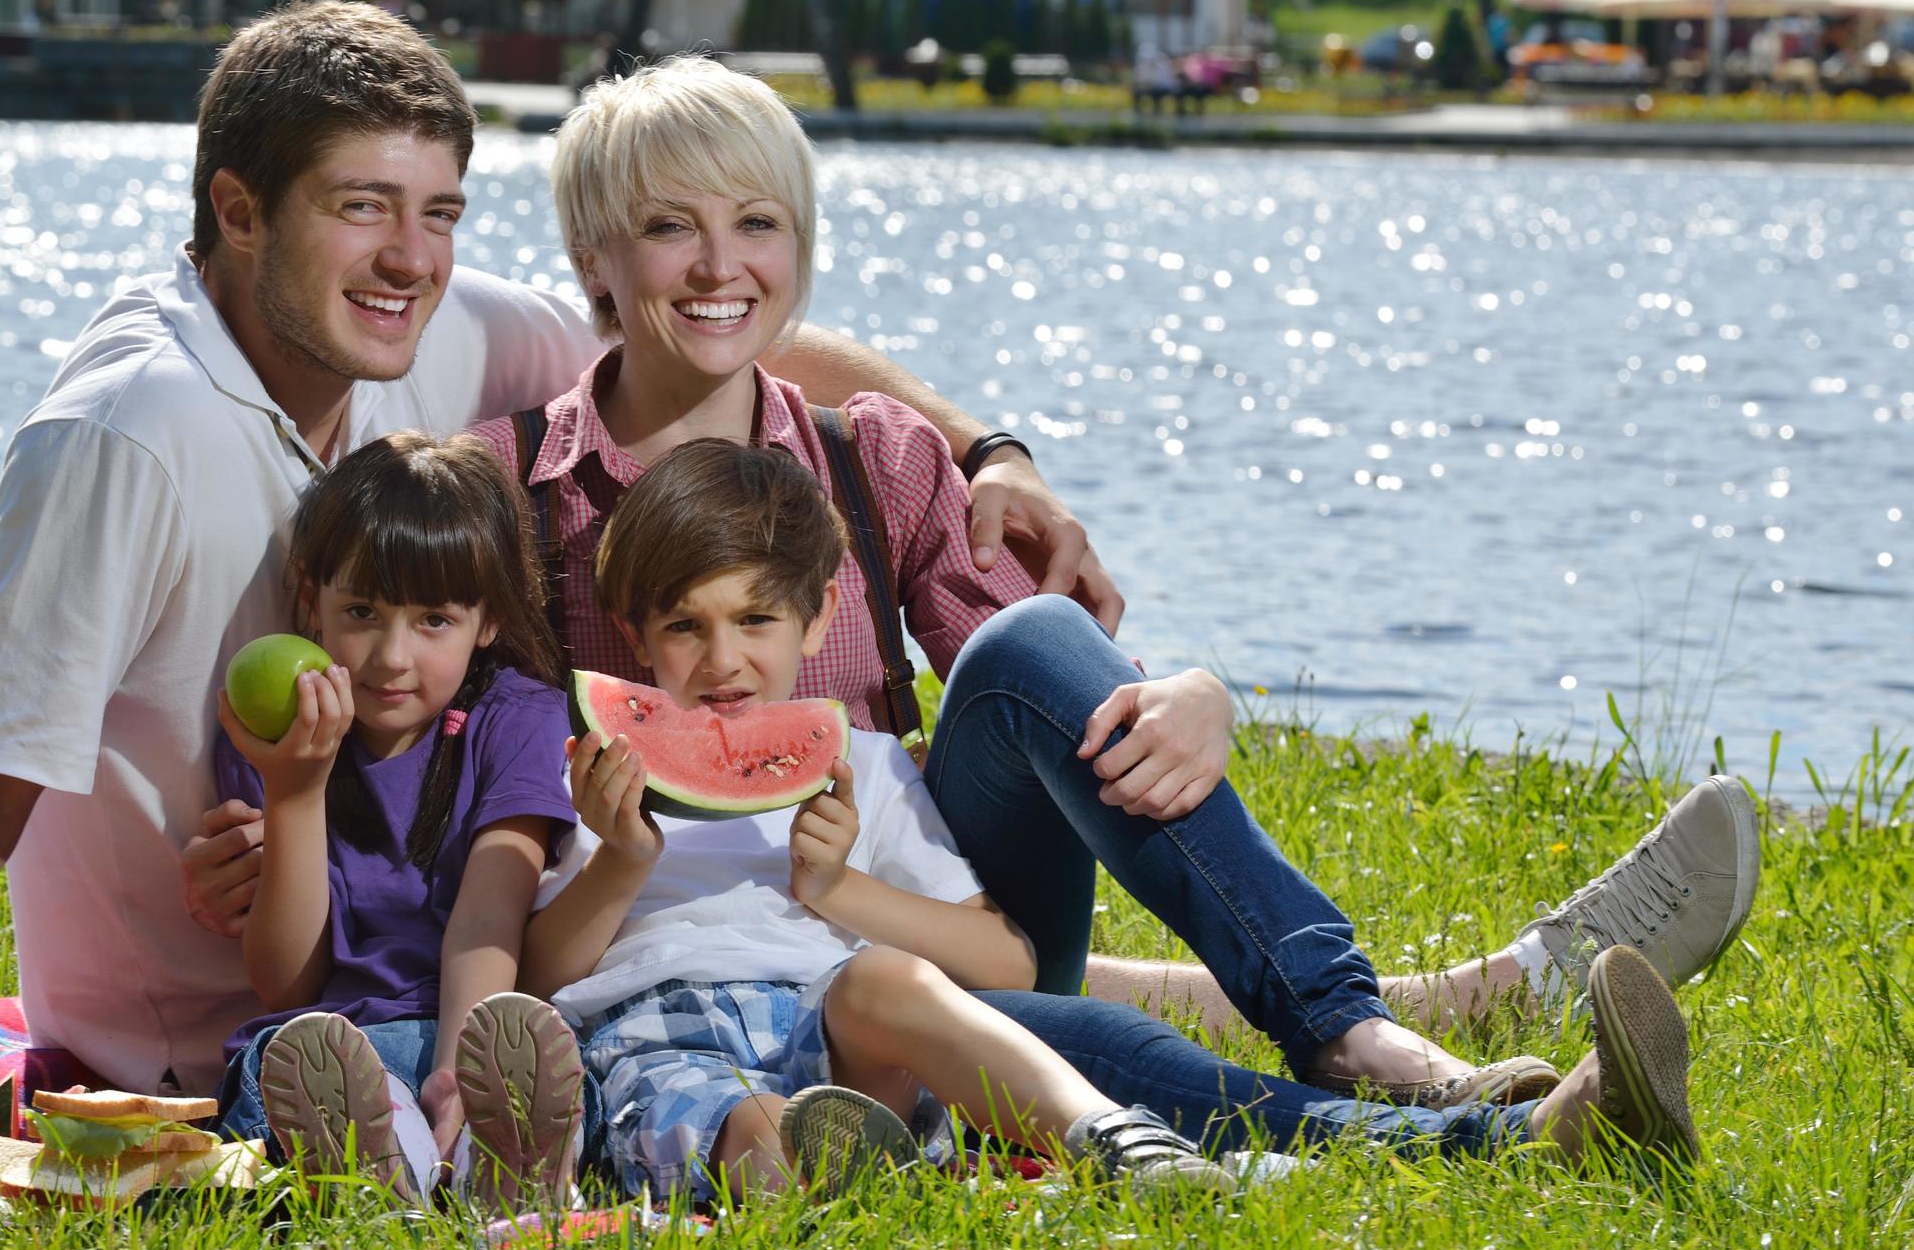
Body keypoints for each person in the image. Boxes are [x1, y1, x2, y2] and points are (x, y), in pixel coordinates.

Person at [0, 3, 1115, 1090]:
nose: (412, 258)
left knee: (964, 990)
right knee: (977, 1025)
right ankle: (1198, 1081)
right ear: (241, 209)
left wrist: (984, 446)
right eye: (364, 208)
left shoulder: (421, 322)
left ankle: (1226, 1023)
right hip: (202, 1047)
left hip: (440, 953)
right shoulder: (126, 435)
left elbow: (705, 325)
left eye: (441, 213)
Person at [447, 57, 1760, 1103]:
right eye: (668, 228)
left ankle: (1349, 1025)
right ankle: (1478, 1086)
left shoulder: (879, 461)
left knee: (1026, 639)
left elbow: (1027, 685)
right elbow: (474, 791)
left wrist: (1189, 694)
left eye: (758, 224)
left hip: (920, 922)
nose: (721, 265)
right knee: (1112, 1064)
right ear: (592, 265)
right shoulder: (507, 490)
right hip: (668, 957)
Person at [525, 443, 1698, 1200]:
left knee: (1100, 1043)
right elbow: (538, 970)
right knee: (777, 1094)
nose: (723, 663)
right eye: (682, 630)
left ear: (817, 615)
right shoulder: (602, 781)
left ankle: (1474, 1109)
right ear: (630, 637)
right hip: (668, 1038)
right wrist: (620, 860)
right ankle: (1498, 1133)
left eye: (754, 622)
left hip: (873, 1026)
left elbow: (1010, 959)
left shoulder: (865, 767)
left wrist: (839, 893)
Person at [209, 432, 589, 1209]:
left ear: (487, 622)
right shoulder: (275, 730)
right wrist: (293, 791)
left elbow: (488, 914)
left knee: (533, 1066)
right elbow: (286, 979)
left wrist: (459, 1072)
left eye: (433, 621)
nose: (390, 655)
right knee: (303, 1057)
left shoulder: (517, 716)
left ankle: (479, 1158)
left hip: (483, 1033)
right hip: (334, 1049)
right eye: (362, 612)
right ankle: (393, 1174)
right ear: (309, 601)